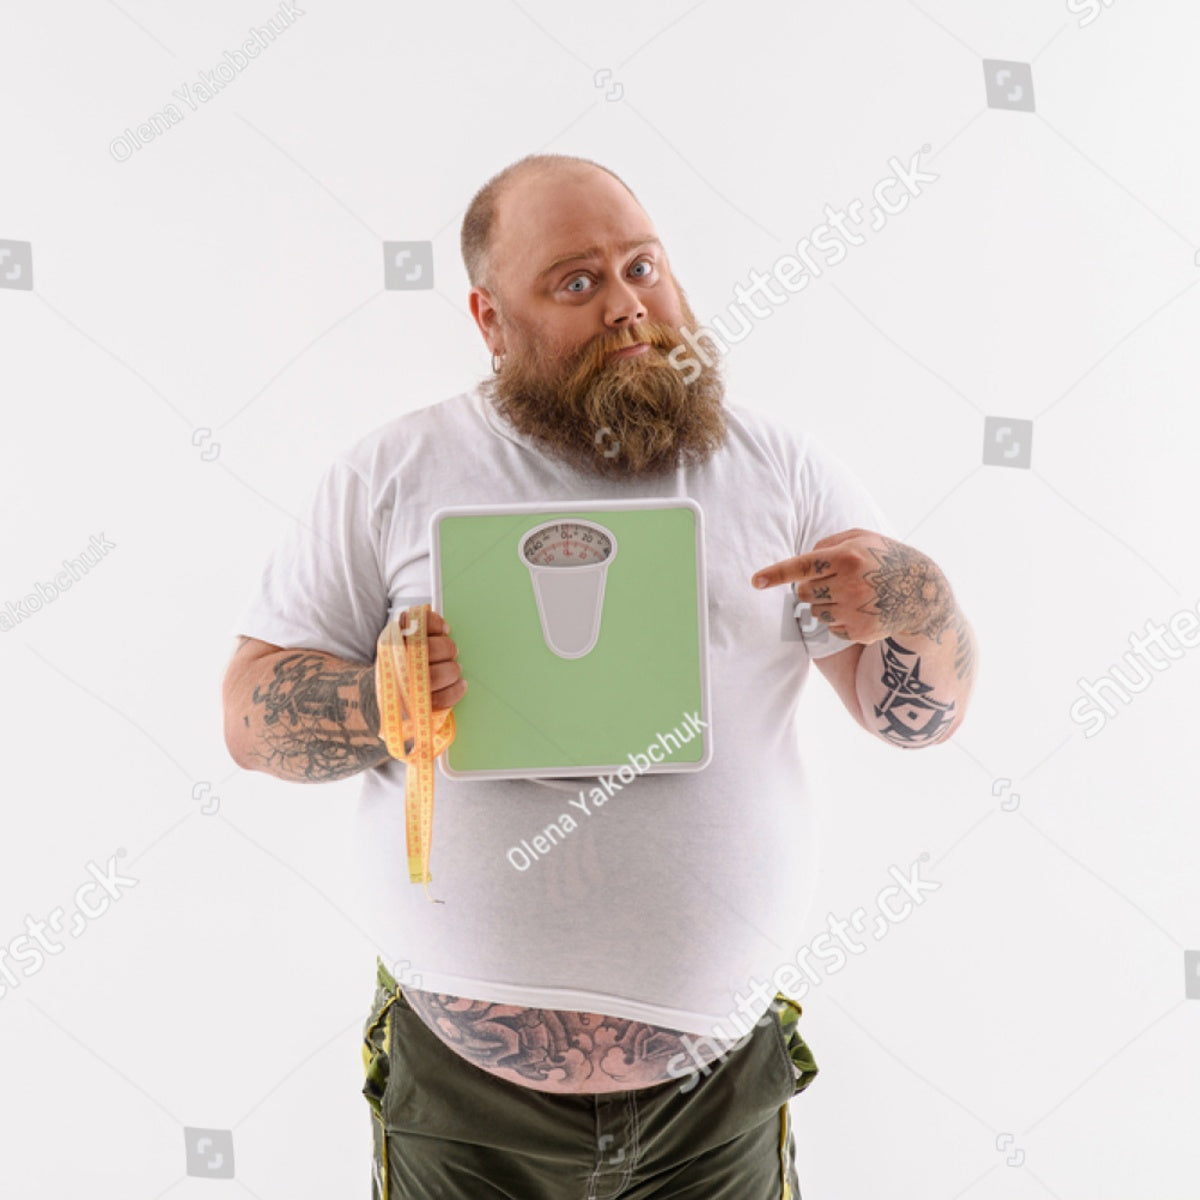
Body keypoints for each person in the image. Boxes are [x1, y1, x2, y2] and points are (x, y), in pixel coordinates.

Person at [222, 153, 978, 1199]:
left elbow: (917, 724)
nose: (628, 306)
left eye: (643, 265)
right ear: (491, 322)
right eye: (576, 282)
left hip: (714, 1106)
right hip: (465, 1107)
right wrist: (374, 703)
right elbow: (250, 722)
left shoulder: (787, 472)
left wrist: (918, 601)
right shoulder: (390, 474)